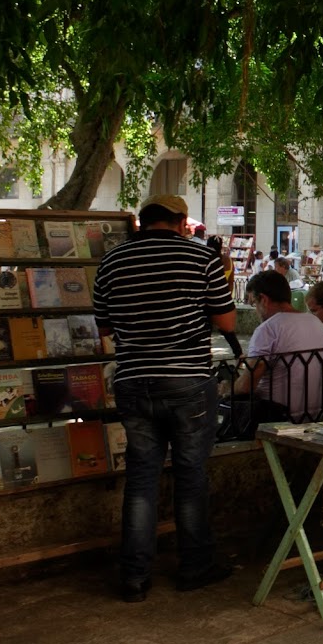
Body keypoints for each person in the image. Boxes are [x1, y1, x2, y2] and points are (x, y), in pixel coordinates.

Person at [91, 193, 238, 601]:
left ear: (143, 221)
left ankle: (135, 575)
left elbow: (104, 328)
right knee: (190, 474)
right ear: (180, 222)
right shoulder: (199, 259)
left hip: (134, 381)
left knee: (141, 477)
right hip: (187, 381)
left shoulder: (112, 263)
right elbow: (226, 320)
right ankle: (195, 566)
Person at [235, 270, 323, 420]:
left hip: (276, 416)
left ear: (263, 299)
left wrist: (226, 388)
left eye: (254, 303)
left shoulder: (268, 329)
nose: (256, 311)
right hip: (313, 414)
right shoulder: (316, 323)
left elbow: (245, 386)